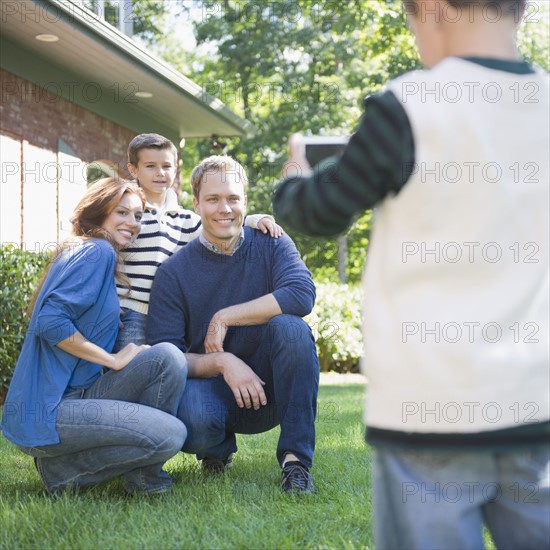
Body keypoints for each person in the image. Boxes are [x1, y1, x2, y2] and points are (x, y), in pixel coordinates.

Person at [273, 0, 549, 547]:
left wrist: (294, 175)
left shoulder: (409, 106)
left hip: (430, 404)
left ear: (432, 10)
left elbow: (320, 211)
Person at [1, 178, 188, 496]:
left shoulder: (89, 252)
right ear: (100, 211)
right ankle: (63, 473)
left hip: (79, 396)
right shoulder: (97, 251)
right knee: (171, 435)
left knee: (166, 357)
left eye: (138, 216)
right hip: (51, 410)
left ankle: (144, 480)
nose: (133, 223)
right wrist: (112, 359)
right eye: (122, 213)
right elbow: (49, 321)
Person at [147, 155, 320, 493]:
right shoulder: (173, 273)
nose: (224, 208)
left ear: (246, 201)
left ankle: (295, 463)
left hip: (271, 390)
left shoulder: (272, 242)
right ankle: (216, 451)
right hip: (213, 390)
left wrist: (224, 317)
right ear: (196, 203)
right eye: (213, 199)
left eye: (233, 198)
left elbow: (301, 294)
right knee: (194, 420)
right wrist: (224, 362)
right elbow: (166, 354)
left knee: (292, 329)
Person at [114, 133, 282, 351]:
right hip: (132, 311)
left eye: (167, 166)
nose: (160, 173)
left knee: (164, 370)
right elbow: (106, 256)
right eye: (151, 166)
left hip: (169, 315)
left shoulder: (186, 219)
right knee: (131, 368)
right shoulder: (128, 215)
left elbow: (219, 224)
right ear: (134, 170)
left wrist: (254, 220)